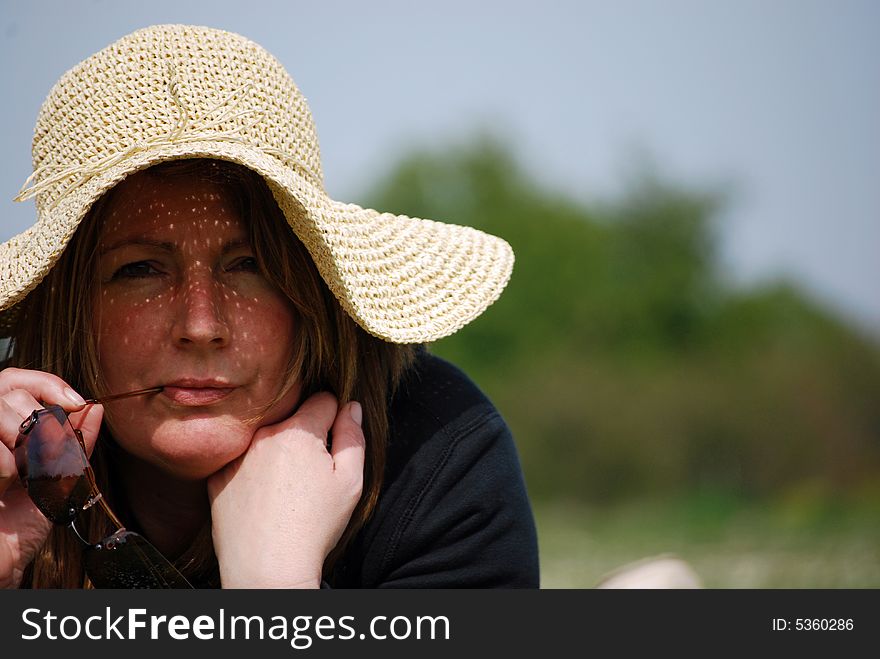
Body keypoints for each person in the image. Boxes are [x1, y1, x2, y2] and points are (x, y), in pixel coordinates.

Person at [0, 24, 538, 589]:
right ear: (68, 310)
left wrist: (272, 580)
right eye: (140, 270)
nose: (201, 326)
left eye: (249, 266)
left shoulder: (437, 450)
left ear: (312, 293)